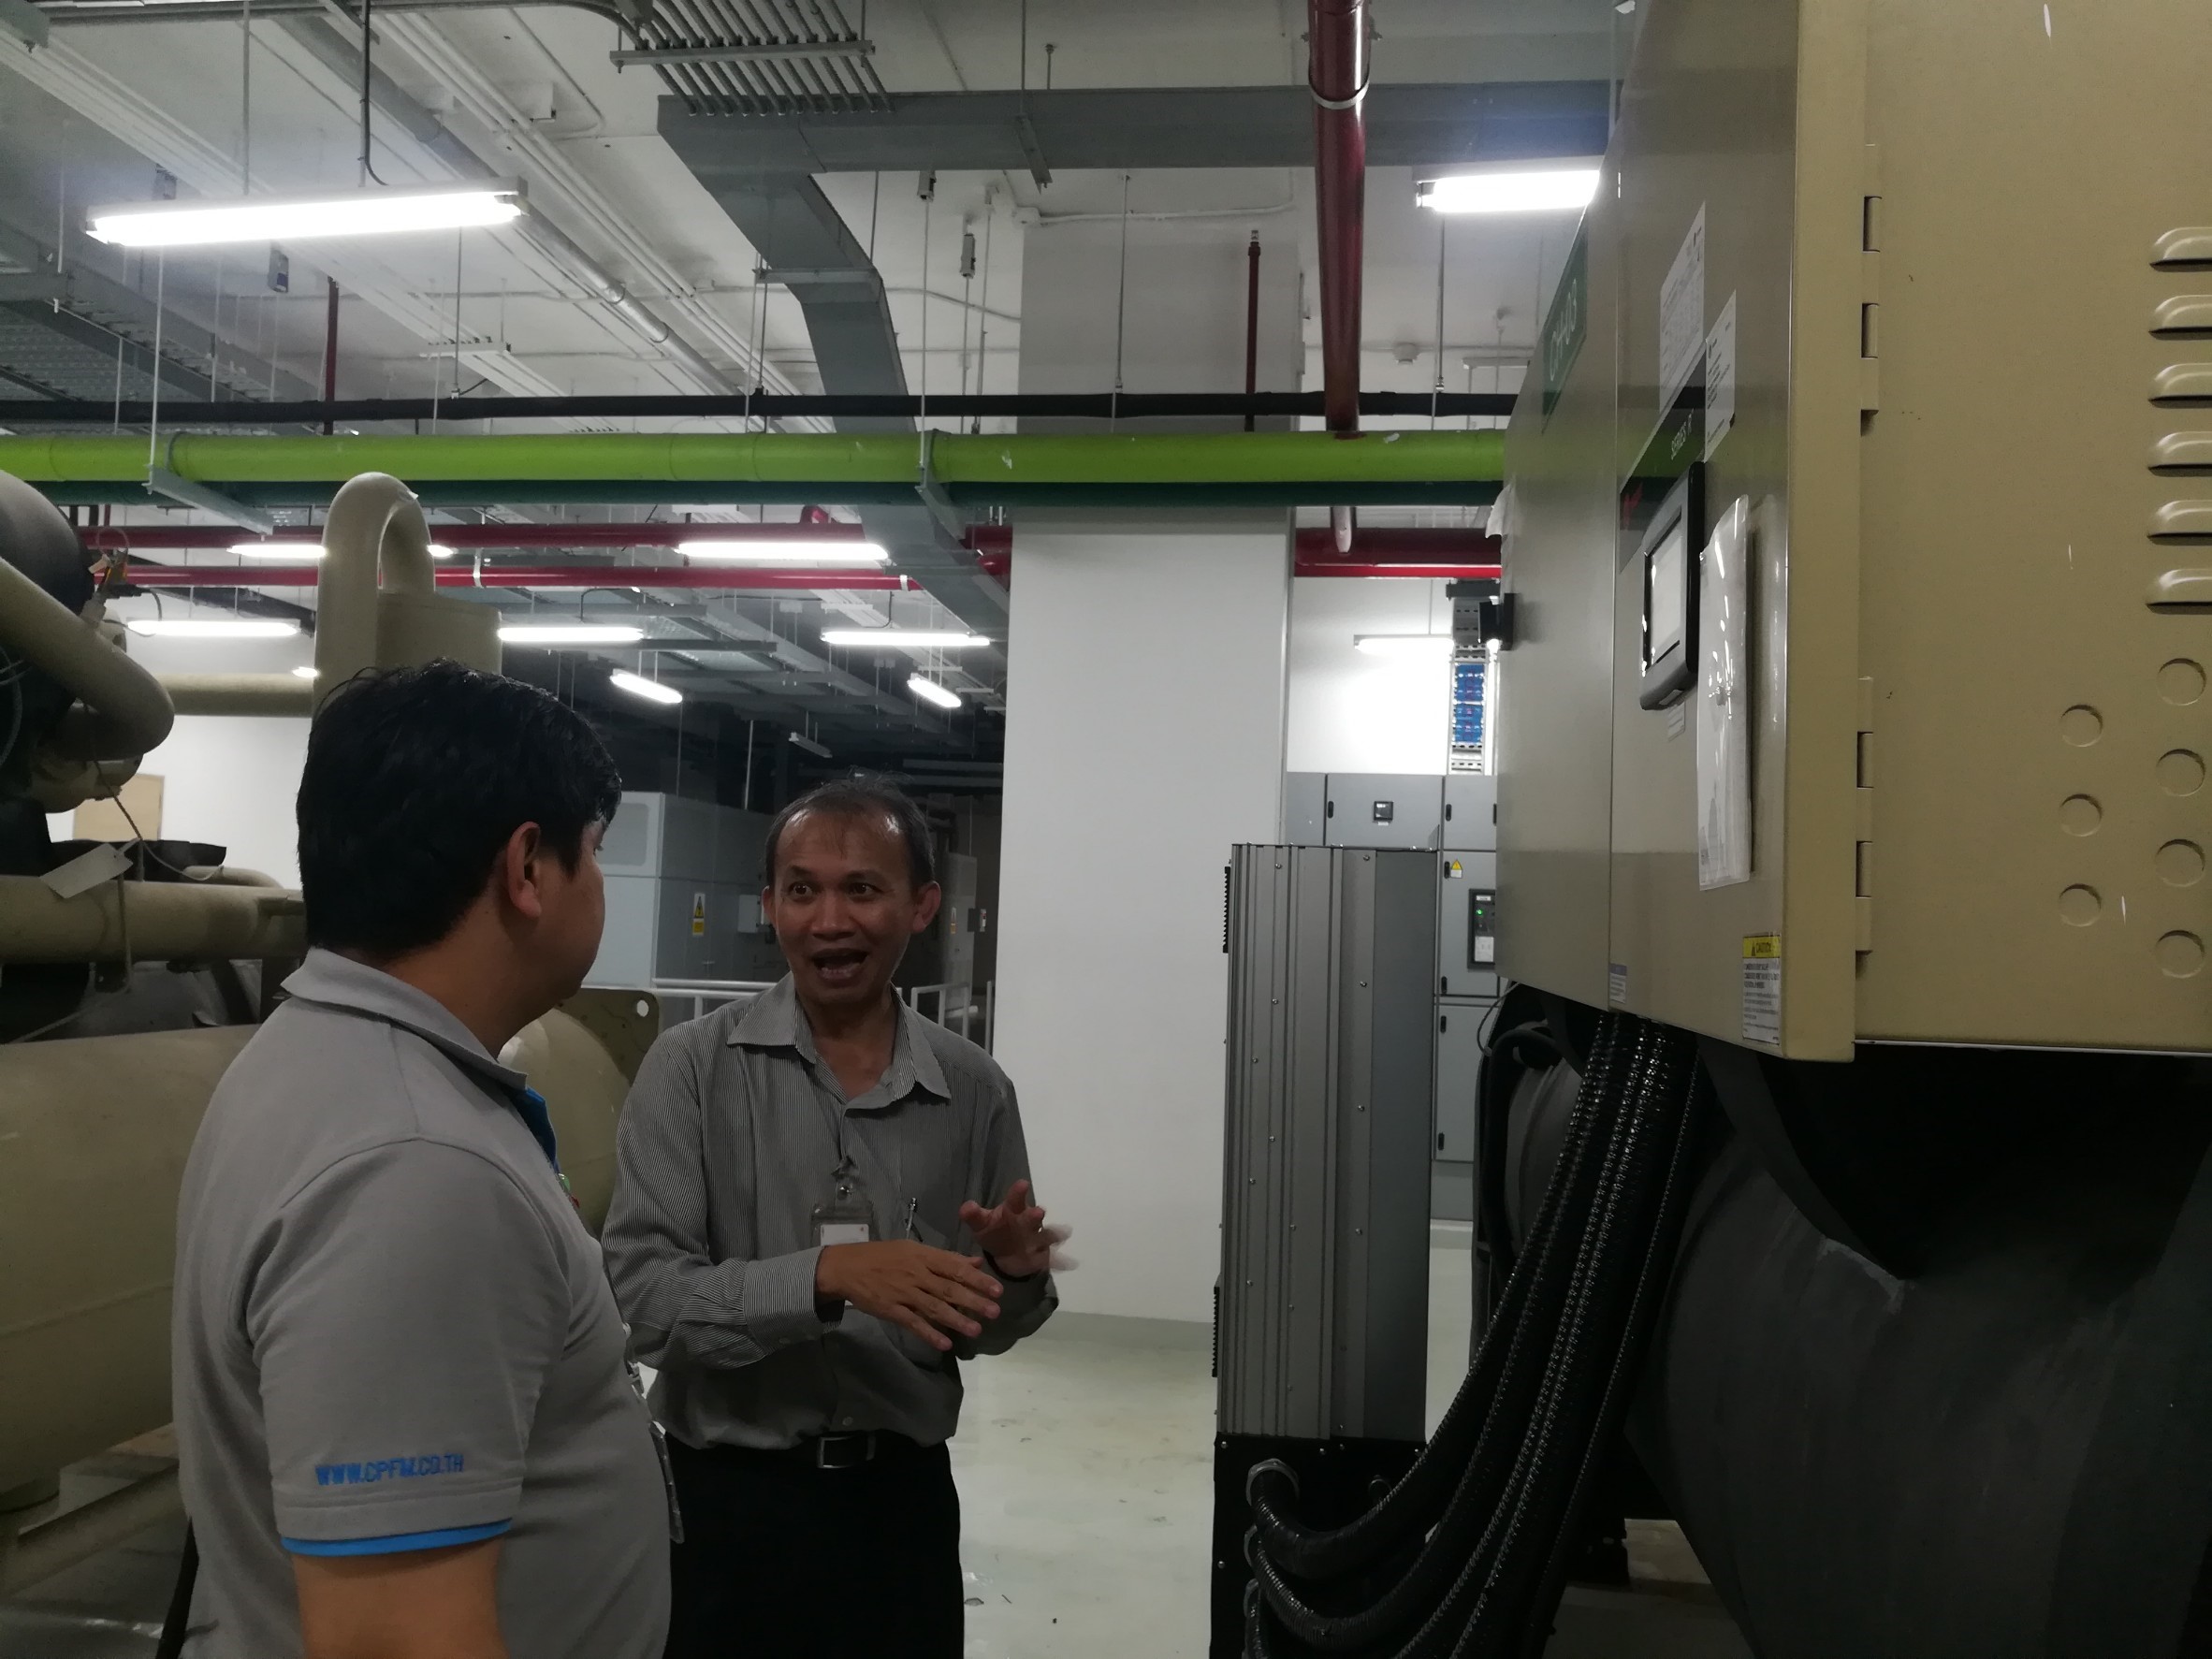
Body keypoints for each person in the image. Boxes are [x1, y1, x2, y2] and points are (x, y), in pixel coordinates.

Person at [170, 662, 670, 1659]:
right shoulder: (415, 1165)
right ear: (528, 870)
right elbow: (393, 1640)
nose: (599, 884)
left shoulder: (321, 1057)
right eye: (594, 853)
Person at [604, 775, 1058, 1659]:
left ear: (921, 905)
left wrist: (1010, 1276)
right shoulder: (690, 1069)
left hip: (899, 1512)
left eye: (862, 888)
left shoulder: (973, 1090)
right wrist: (824, 1277)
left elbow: (988, 1327)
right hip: (726, 1507)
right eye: (803, 889)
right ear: (769, 903)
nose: (829, 919)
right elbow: (648, 1297)